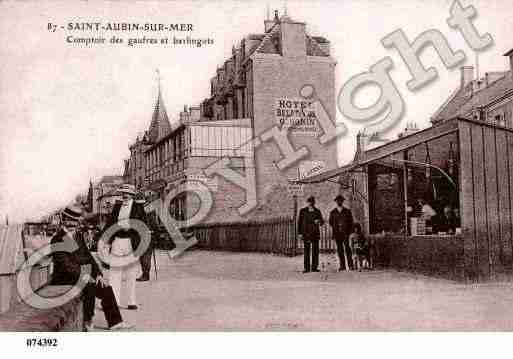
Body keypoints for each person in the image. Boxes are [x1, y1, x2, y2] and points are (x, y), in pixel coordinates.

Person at [50, 205, 132, 331]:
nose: (72, 224)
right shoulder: (57, 239)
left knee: (105, 287)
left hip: (80, 274)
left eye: (75, 221)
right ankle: (88, 321)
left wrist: (98, 274)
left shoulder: (78, 235)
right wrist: (86, 276)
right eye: (69, 221)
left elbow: (89, 258)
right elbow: (65, 265)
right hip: (65, 277)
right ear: (64, 220)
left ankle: (115, 322)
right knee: (89, 285)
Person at [102, 184, 148, 309]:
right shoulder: (117, 207)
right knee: (114, 272)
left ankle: (131, 301)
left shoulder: (138, 207)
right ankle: (114, 302)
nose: (125, 196)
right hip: (117, 240)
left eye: (127, 194)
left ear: (132, 195)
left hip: (131, 242)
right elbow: (109, 224)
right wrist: (105, 240)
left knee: (131, 272)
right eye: (123, 193)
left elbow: (144, 225)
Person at [297, 196, 324, 273]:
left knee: (315, 251)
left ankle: (314, 267)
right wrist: (300, 233)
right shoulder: (303, 211)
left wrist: (319, 221)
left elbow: (322, 222)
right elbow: (299, 223)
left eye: (312, 202)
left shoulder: (317, 211)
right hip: (306, 233)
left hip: (315, 233)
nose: (311, 203)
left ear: (314, 203)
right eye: (309, 202)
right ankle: (306, 268)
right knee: (306, 251)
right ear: (307, 202)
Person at [329, 195, 354, 271]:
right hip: (337, 233)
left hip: (345, 233)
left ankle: (350, 265)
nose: (339, 202)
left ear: (342, 201)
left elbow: (351, 222)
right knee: (340, 250)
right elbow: (331, 222)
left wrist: (348, 231)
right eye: (337, 200)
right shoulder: (333, 212)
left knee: (347, 249)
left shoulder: (347, 211)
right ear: (336, 202)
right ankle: (342, 266)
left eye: (340, 200)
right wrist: (336, 227)